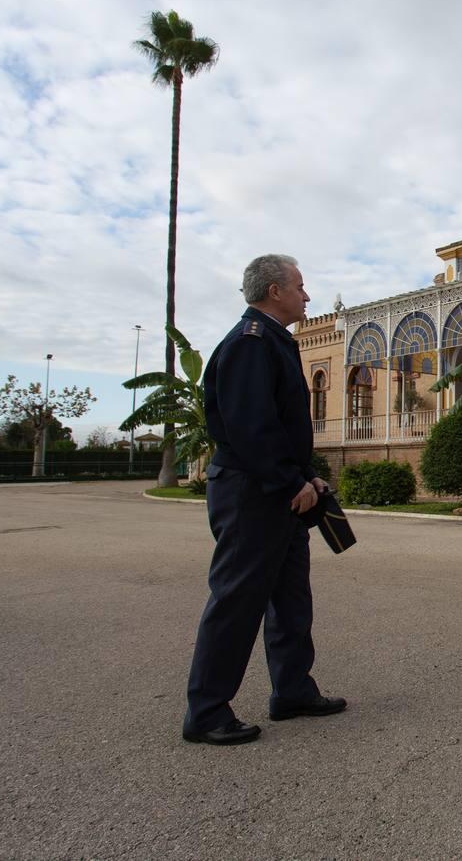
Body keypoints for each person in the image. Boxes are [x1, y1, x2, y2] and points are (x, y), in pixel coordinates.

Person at [182, 254, 346, 745]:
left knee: (290, 597)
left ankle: (292, 690)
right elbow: (250, 426)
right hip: (253, 493)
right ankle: (207, 711)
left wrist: (307, 478)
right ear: (274, 290)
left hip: (280, 490)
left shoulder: (273, 340)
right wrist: (286, 481)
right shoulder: (250, 344)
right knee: (237, 598)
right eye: (299, 285)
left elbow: (280, 426)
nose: (307, 295)